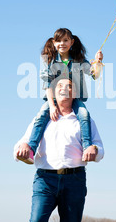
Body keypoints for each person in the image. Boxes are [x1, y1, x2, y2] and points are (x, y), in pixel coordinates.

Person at [14, 77, 104, 222]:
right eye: (60, 86)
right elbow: (22, 142)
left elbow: (100, 148)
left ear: (75, 94)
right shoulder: (43, 116)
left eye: (70, 87)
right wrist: (21, 147)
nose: (65, 89)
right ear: (52, 93)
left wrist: (94, 150)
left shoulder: (84, 120)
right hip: (45, 179)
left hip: (74, 180)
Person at [18, 28, 103, 165]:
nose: (62, 43)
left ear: (72, 42)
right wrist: (52, 106)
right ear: (54, 42)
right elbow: (47, 85)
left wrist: (98, 62)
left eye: (65, 40)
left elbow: (94, 74)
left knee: (84, 114)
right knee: (41, 116)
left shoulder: (78, 60)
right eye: (58, 40)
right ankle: (31, 150)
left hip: (74, 98)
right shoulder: (50, 61)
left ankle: (87, 146)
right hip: (53, 99)